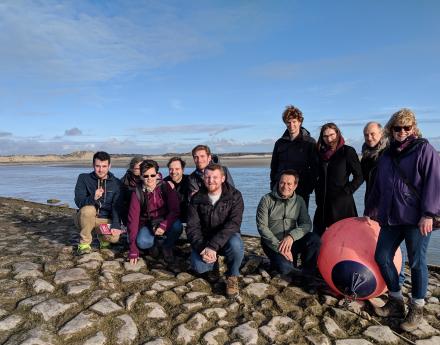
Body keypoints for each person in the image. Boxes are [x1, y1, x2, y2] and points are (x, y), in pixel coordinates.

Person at [364, 108, 440, 332]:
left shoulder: (424, 149)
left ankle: (417, 307)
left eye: (407, 127)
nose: (402, 132)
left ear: (413, 128)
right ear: (391, 129)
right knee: (382, 256)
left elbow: (434, 183)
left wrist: (429, 214)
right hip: (391, 217)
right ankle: (396, 300)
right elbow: (379, 185)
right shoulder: (387, 155)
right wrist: (371, 210)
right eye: (397, 128)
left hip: (418, 219)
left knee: (417, 262)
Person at [186, 164, 244, 297]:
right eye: (207, 177)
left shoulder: (235, 196)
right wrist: (202, 247)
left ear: (223, 178)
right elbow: (192, 227)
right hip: (205, 241)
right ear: (203, 178)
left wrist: (213, 246)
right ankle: (214, 265)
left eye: (215, 177)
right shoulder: (196, 198)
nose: (211, 180)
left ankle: (232, 275)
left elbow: (234, 224)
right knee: (199, 267)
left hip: (227, 239)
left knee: (236, 244)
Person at [257, 169, 320, 288]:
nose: (285, 186)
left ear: (295, 185)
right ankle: (297, 272)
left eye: (289, 184)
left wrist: (292, 236)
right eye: (282, 183)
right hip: (272, 243)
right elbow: (262, 227)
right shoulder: (266, 200)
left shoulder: (299, 201)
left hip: (292, 242)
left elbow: (306, 224)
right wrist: (279, 247)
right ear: (278, 183)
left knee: (314, 239)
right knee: (285, 269)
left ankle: (308, 275)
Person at [127, 160, 181, 266]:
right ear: (141, 176)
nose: (149, 178)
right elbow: (132, 220)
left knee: (177, 226)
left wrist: (165, 224)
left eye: (152, 175)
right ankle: (154, 245)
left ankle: (167, 246)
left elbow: (175, 210)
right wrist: (133, 249)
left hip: (165, 220)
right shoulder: (137, 192)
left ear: (157, 174)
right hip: (148, 223)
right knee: (142, 242)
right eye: (146, 176)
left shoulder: (165, 186)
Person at [313, 123, 363, 236]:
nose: (329, 139)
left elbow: (359, 176)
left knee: (344, 239)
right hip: (322, 206)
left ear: (337, 134)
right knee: (317, 238)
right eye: (325, 136)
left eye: (331, 135)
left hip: (342, 205)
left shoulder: (347, 151)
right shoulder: (318, 153)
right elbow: (315, 175)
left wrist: (347, 191)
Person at [74, 151, 123, 255]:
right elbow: (79, 202)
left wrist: (115, 225)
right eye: (98, 166)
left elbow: (116, 207)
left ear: (109, 166)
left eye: (104, 166)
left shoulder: (117, 183)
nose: (101, 170)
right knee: (88, 209)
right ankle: (84, 244)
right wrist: (93, 198)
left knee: (114, 238)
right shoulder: (83, 178)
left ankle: (102, 238)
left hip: (104, 220)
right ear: (93, 165)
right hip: (84, 218)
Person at [270, 105, 318, 208]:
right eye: (288, 122)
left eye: (294, 121)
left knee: (301, 219)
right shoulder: (280, 143)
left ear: (300, 122)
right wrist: (273, 184)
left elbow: (315, 168)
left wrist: (309, 187)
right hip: (281, 187)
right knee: (280, 219)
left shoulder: (309, 142)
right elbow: (274, 166)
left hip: (302, 188)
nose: (291, 125)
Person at [361, 122, 388, 203]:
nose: (369, 138)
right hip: (370, 201)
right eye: (366, 135)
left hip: (388, 203)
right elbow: (360, 177)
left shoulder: (390, 153)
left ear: (381, 133)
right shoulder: (365, 157)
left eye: (372, 134)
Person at [164, 157, 190, 224]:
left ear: (183, 170)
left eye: (177, 169)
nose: (173, 172)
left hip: (188, 217)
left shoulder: (190, 181)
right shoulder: (164, 183)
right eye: (171, 169)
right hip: (171, 217)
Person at [120, 156, 143, 225]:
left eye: (141, 168)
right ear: (132, 168)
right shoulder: (124, 181)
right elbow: (121, 202)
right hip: (129, 211)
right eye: (137, 168)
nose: (140, 170)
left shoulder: (147, 178)